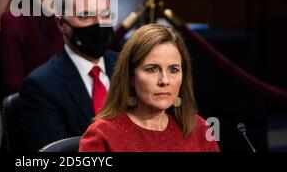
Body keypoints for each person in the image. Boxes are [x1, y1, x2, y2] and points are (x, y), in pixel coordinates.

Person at [79, 24, 220, 152]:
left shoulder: (199, 128)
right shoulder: (103, 135)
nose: (165, 81)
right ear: (130, 77)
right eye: (152, 69)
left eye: (173, 70)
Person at [18, 0, 118, 151]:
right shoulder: (41, 87)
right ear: (61, 23)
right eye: (85, 15)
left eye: (105, 14)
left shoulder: (128, 66)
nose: (99, 24)